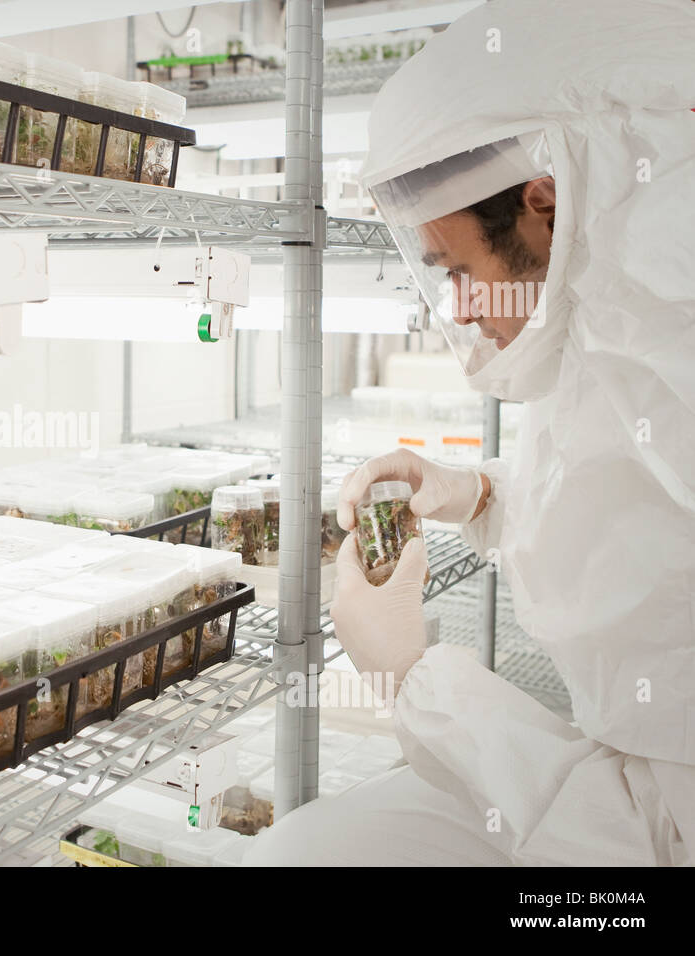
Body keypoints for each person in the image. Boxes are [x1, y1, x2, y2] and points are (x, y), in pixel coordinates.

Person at [248, 0, 695, 865]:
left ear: (544, 203)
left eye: (459, 270)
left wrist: (416, 679)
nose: (457, 309)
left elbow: (631, 870)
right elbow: (629, 511)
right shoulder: (636, 335)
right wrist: (481, 492)